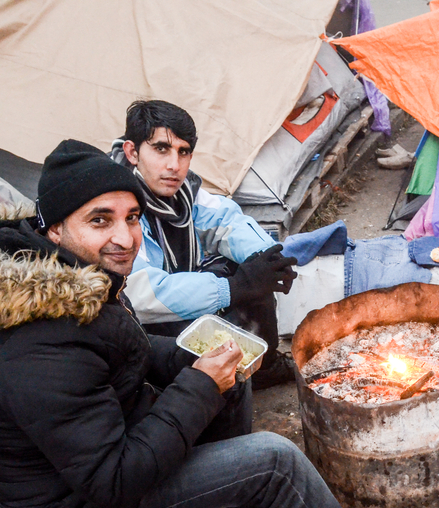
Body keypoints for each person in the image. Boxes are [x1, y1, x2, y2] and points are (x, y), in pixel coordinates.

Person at [0, 140, 439, 508]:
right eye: (99, 220)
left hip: (110, 444)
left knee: (223, 361)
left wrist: (191, 359)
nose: (124, 238)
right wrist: (197, 386)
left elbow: (121, 351)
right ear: (55, 229)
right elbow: (113, 479)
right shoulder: (31, 347)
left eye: (132, 218)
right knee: (275, 460)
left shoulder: (68, 279)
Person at [110, 100, 298, 390]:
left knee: (254, 271)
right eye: (161, 149)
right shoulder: (118, 208)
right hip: (137, 321)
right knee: (240, 288)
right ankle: (205, 390)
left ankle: (263, 366)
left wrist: (268, 258)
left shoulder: (183, 193)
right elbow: (142, 292)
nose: (174, 165)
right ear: (132, 152)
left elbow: (224, 220)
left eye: (183, 152)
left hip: (177, 289)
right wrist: (232, 289)